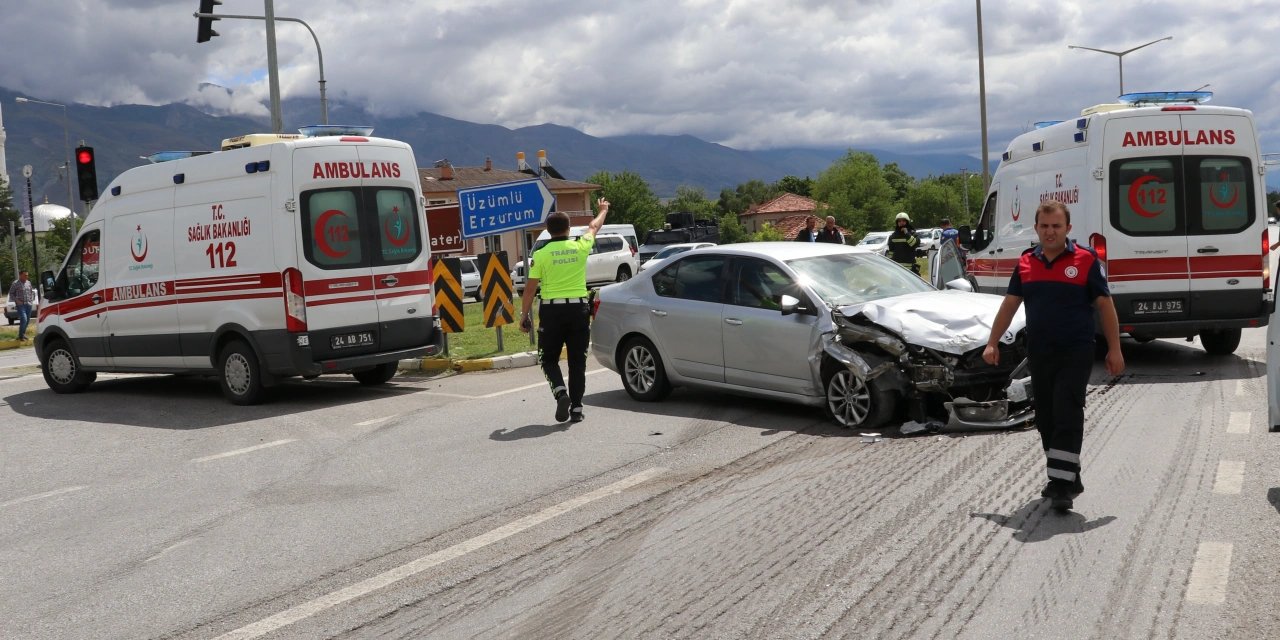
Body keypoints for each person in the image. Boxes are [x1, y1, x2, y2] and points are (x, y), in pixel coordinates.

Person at [982, 200, 1124, 512]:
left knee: (1066, 412)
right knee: (1045, 417)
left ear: (1067, 229)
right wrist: (992, 342)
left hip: (1076, 350)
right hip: (1040, 351)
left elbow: (1104, 306)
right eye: (1045, 226)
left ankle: (1061, 486)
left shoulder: (1085, 260)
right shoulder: (1026, 263)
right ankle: (1068, 475)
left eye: (1056, 226)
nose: (1050, 232)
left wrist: (1114, 348)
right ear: (1037, 228)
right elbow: (1010, 304)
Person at [519, 197, 611, 423]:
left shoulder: (540, 255)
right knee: (577, 362)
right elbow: (594, 226)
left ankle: (561, 393)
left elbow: (530, 290)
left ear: (548, 231)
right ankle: (577, 409)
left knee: (548, 358)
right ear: (569, 229)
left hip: (552, 313)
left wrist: (524, 315)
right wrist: (603, 210)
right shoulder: (580, 246)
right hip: (579, 310)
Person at [7, 270, 35, 342]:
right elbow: (11, 293)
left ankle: (22, 335)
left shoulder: (28, 283)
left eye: (27, 275)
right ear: (20, 275)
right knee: (24, 319)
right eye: (25, 275)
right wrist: (17, 300)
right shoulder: (15, 283)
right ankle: (21, 336)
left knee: (27, 320)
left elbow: (31, 292)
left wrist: (31, 300)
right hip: (21, 305)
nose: (26, 276)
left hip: (28, 304)